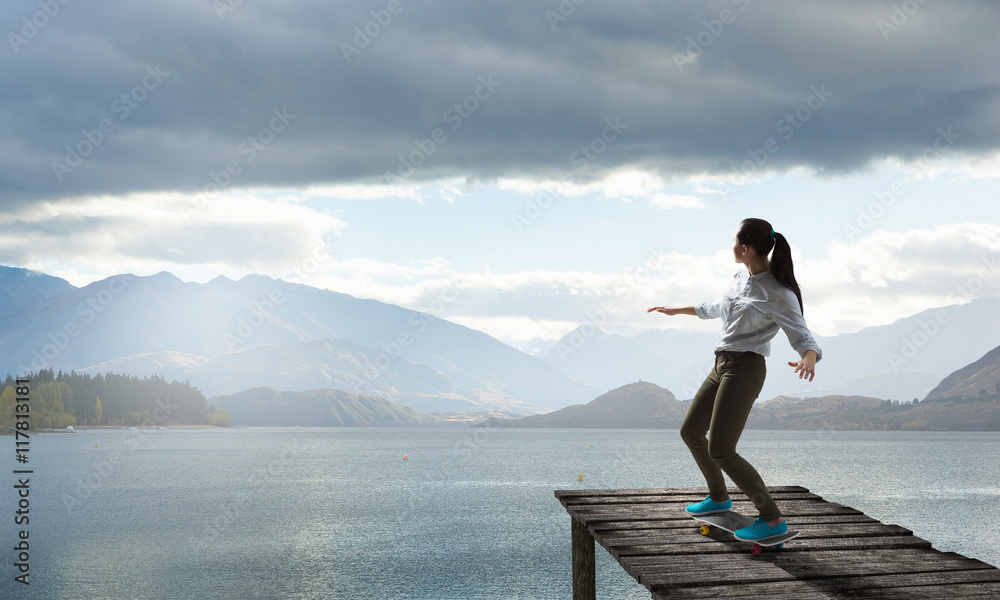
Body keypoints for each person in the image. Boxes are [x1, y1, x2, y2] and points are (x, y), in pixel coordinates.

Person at [646, 218, 822, 542]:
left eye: (733, 241)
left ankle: (771, 518)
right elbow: (716, 306)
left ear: (744, 247)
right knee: (691, 431)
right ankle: (718, 497)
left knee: (722, 449)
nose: (731, 246)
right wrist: (676, 310)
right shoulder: (740, 274)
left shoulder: (780, 293)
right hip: (722, 364)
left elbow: (803, 335)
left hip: (746, 370)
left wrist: (808, 358)